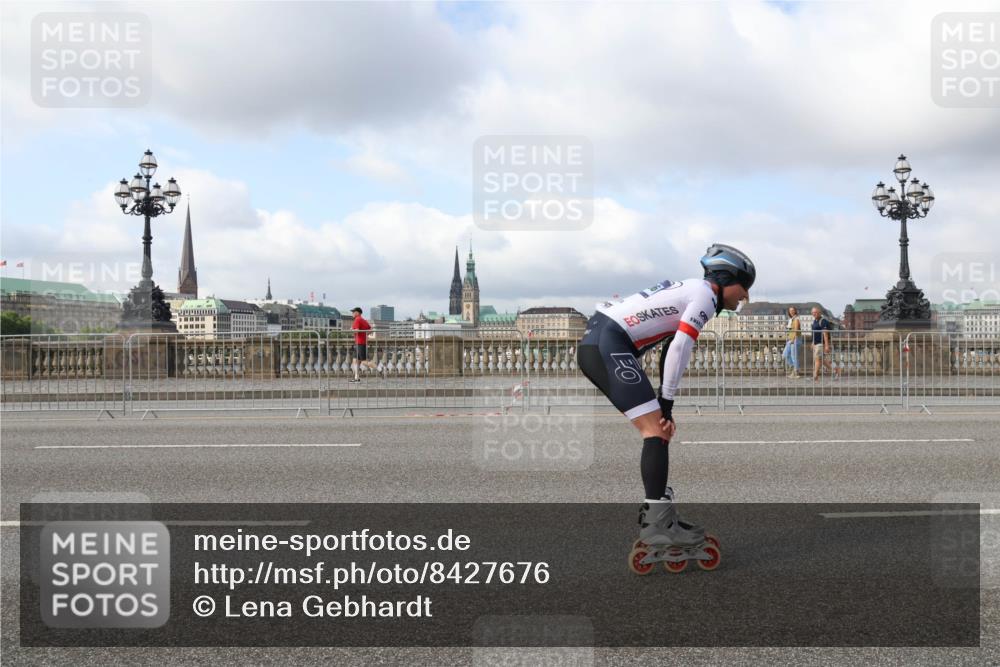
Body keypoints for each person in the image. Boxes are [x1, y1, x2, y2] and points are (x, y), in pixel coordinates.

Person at [577, 243, 754, 573]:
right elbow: (681, 347)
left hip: (602, 339)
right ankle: (657, 524)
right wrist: (667, 403)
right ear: (727, 280)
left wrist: (664, 400)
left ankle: (659, 513)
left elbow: (671, 345)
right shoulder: (704, 296)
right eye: (745, 286)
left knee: (657, 430)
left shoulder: (694, 290)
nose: (745, 296)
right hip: (608, 344)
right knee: (656, 430)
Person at [810, 306, 840, 382]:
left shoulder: (823, 321)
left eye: (815, 312)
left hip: (821, 343)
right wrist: (813, 342)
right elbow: (814, 333)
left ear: (819, 313)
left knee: (817, 359)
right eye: (813, 312)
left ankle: (815, 376)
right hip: (816, 344)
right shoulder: (815, 321)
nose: (814, 314)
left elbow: (825, 334)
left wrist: (826, 345)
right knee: (821, 360)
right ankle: (835, 370)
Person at [349, 307, 374, 383]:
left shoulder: (357, 319)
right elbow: (371, 329)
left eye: (353, 312)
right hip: (360, 342)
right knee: (355, 360)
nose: (352, 313)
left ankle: (380, 369)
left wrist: (351, 330)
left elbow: (356, 331)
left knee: (363, 361)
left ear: (357, 313)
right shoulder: (363, 320)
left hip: (360, 343)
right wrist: (365, 335)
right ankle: (356, 378)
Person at [782, 306, 802, 379]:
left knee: (794, 356)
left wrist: (793, 339)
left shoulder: (796, 319)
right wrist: (785, 327)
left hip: (795, 339)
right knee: (785, 355)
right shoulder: (791, 320)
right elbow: (790, 329)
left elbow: (796, 330)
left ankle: (796, 372)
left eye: (793, 310)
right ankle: (794, 369)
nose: (791, 312)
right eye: (790, 311)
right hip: (790, 339)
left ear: (795, 311)